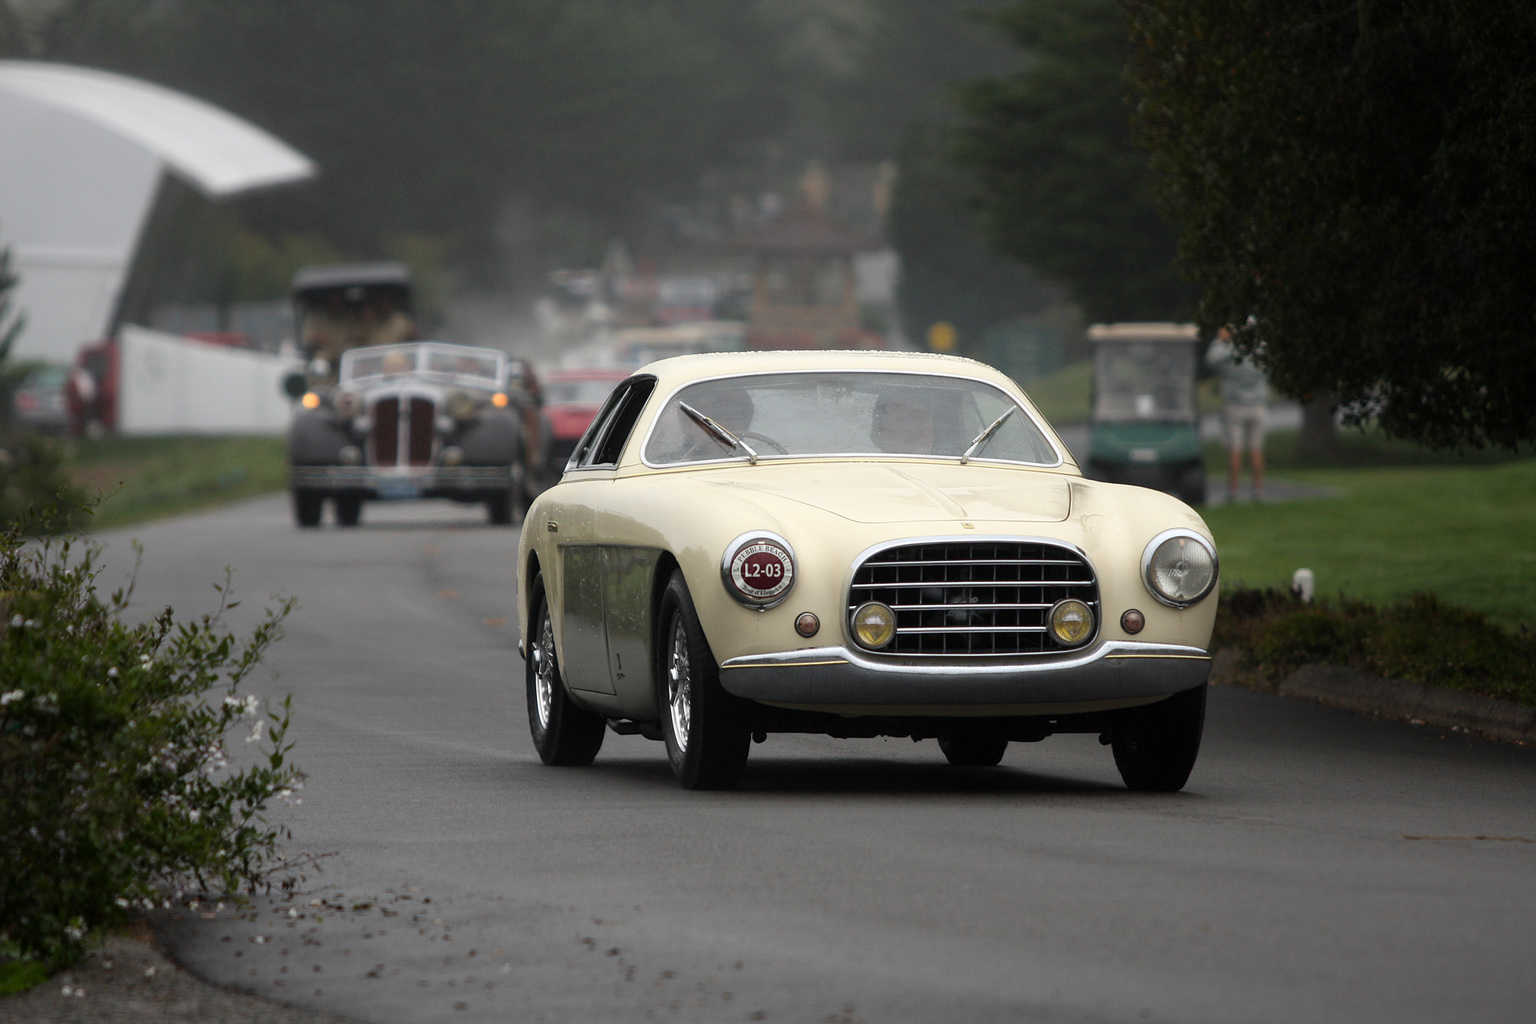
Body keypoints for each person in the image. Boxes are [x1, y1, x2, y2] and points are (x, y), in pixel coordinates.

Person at [1205, 323, 1269, 501]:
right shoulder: (1260, 348)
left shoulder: (1230, 350)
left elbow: (1211, 359)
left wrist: (1220, 340)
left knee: (1235, 449)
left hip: (1234, 405)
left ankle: (1233, 491)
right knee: (1256, 449)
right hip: (1258, 404)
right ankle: (1258, 491)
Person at [872, 390, 936, 455]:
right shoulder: (865, 463)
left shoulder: (944, 462)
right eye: (901, 419)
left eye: (920, 417)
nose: (913, 427)